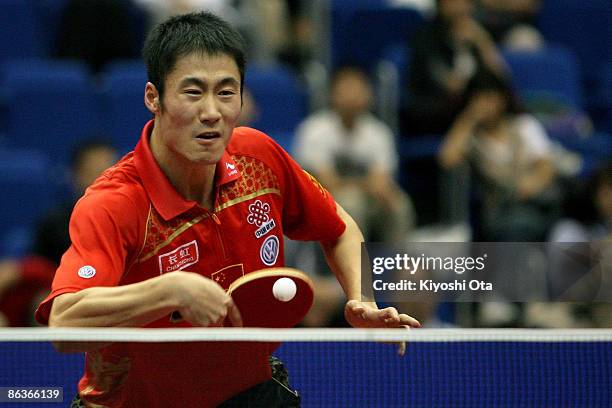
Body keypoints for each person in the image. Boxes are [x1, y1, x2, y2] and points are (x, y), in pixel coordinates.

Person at [34, 12, 420, 408]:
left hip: (246, 394)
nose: (212, 112)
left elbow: (338, 226)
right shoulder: (114, 203)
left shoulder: (258, 157)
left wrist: (362, 299)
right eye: (193, 91)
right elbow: (64, 324)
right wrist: (167, 291)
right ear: (154, 97)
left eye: (225, 91)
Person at [0, 140, 117, 327]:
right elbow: (38, 267)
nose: (102, 179)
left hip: (114, 294)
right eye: (93, 172)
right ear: (75, 175)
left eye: (108, 171)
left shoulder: (130, 217)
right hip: (66, 294)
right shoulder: (54, 222)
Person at [294, 65, 415, 244]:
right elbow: (327, 182)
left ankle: (400, 265)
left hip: (368, 200)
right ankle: (354, 268)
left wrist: (369, 187)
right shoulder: (314, 129)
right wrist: (365, 184)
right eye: (346, 89)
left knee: (399, 203)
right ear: (332, 94)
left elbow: (381, 182)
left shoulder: (379, 132)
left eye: (358, 89)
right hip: (322, 202)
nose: (352, 96)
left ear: (369, 95)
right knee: (351, 203)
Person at [438, 73, 559, 242]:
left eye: (490, 98)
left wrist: (530, 184)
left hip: (535, 202)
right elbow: (447, 159)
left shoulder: (523, 125)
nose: (485, 105)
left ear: (503, 99)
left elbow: (546, 166)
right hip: (500, 209)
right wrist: (469, 117)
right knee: (513, 227)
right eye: (478, 99)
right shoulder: (472, 138)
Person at [402, 0, 508, 136]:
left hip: (474, 108)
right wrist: (461, 49)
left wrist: (483, 43)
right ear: (441, 6)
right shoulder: (426, 38)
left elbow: (500, 79)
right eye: (453, 2)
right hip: (434, 110)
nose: (460, 7)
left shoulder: (477, 35)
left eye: (464, 2)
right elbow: (452, 86)